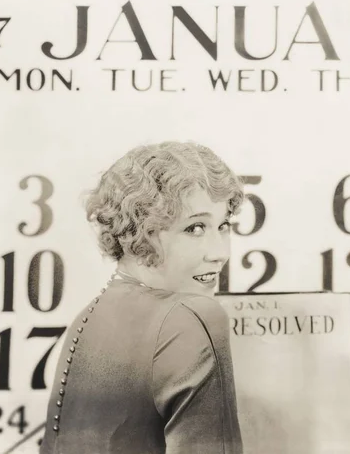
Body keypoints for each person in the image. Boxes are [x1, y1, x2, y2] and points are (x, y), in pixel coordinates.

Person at [40, 141, 244, 454]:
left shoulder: (88, 318)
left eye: (224, 225)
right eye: (195, 228)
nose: (219, 253)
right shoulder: (191, 317)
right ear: (139, 231)